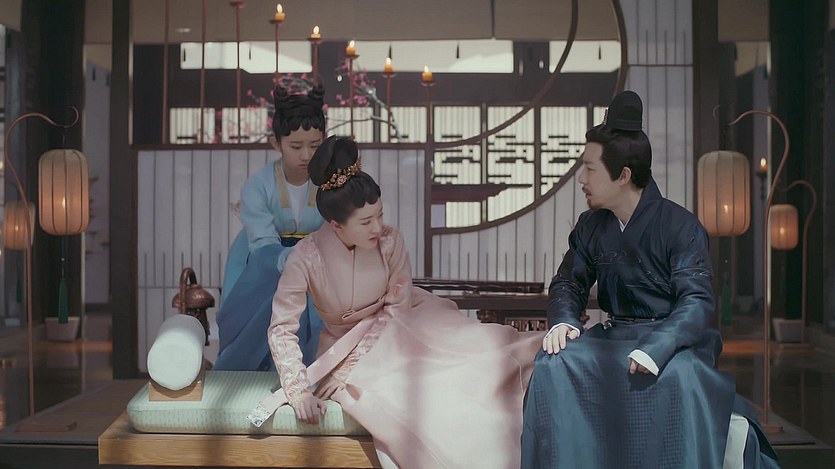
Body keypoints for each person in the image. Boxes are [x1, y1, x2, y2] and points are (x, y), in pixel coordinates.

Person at [520, 91, 779, 469]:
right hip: (616, 335)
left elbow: (696, 302)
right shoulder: (591, 226)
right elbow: (569, 282)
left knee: (681, 377)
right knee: (552, 365)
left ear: (623, 175)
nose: (581, 180)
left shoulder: (680, 225)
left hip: (673, 340)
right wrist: (564, 320)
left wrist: (657, 348)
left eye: (590, 169)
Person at [263, 136, 544, 468]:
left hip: (404, 323)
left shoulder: (389, 240)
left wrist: (350, 366)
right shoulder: (305, 258)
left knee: (484, 355)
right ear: (336, 225)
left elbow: (397, 307)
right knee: (410, 400)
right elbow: (282, 328)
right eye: (366, 222)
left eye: (380, 215)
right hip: (344, 347)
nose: (378, 227)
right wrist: (298, 389)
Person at [214, 85, 326, 371]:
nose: (306, 155)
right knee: (262, 313)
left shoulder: (331, 181)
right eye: (296, 147)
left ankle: (313, 372)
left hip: (319, 258)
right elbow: (262, 240)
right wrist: (289, 260)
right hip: (266, 257)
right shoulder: (258, 185)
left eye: (315, 146)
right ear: (276, 143)